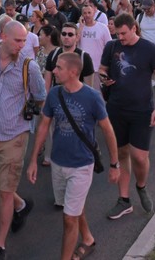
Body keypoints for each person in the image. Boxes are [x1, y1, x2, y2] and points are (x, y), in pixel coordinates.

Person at [27, 52, 120, 260]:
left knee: (69, 219)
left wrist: (115, 164)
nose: (54, 71)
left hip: (81, 164)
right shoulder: (54, 94)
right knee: (73, 207)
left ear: (73, 72)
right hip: (58, 164)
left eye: (59, 68)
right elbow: (44, 126)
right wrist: (33, 159)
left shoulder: (92, 97)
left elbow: (108, 130)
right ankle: (87, 238)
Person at [0, 20, 46, 260]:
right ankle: (21, 205)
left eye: (25, 40)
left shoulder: (30, 67)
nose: (22, 45)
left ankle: (0, 244)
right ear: (2, 37)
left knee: (5, 190)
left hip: (15, 135)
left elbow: (40, 96)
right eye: (18, 40)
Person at [99, 13, 155, 220]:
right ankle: (124, 200)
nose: (120, 37)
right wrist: (104, 78)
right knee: (121, 155)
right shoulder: (111, 47)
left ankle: (141, 185)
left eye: (123, 33)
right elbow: (102, 70)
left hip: (142, 111)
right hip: (116, 108)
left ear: (133, 29)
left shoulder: (149, 49)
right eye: (117, 33)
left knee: (139, 156)